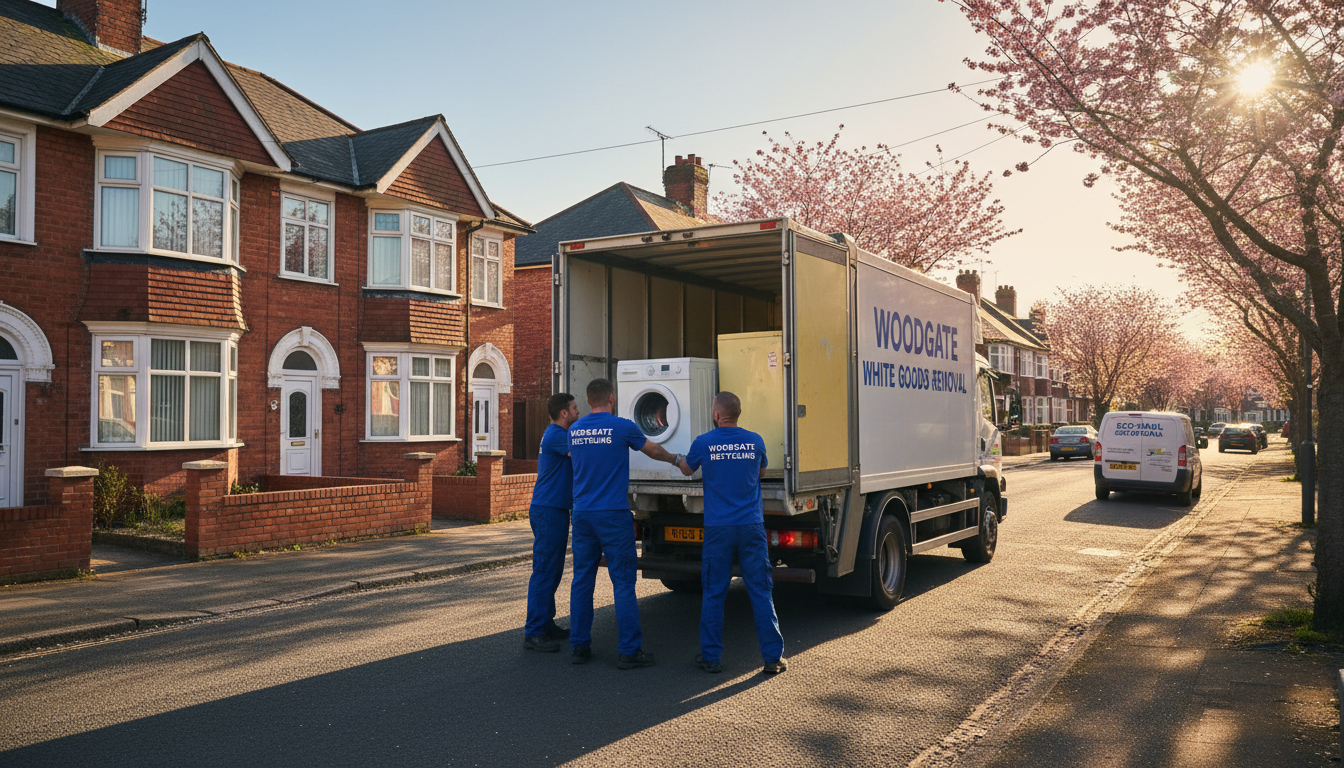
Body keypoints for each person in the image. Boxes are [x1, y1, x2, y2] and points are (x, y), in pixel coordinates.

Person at [568, 377, 681, 669]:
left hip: (582, 514)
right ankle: (629, 651)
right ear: (612, 399)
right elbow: (653, 450)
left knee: (582, 580)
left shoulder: (575, 430)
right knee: (622, 582)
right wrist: (676, 460)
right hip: (612, 514)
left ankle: (579, 646)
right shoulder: (622, 427)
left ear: (588, 400)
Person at [677, 391, 786, 675]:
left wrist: (674, 458)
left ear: (716, 415)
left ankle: (711, 658)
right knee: (761, 591)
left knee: (714, 592)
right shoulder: (755, 440)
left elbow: (687, 469)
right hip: (751, 526)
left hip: (718, 530)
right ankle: (772, 658)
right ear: (738, 414)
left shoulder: (703, 442)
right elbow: (761, 473)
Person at [523, 392, 581, 653]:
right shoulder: (559, 436)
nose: (578, 412)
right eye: (575, 408)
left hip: (554, 508)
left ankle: (546, 623)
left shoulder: (557, 433)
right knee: (545, 570)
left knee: (553, 569)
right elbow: (584, 454)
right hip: (548, 510)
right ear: (564, 413)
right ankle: (534, 632)